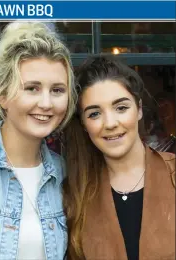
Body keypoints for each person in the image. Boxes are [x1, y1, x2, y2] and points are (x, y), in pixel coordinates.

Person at [0, 21, 76, 260]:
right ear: (3, 97)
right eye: (32, 88)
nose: (46, 103)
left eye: (58, 90)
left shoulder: (64, 173)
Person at [62, 55, 175, 260]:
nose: (110, 123)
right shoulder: (73, 194)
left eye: (121, 107)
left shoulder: (173, 174)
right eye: (94, 113)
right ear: (85, 126)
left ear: (139, 109)